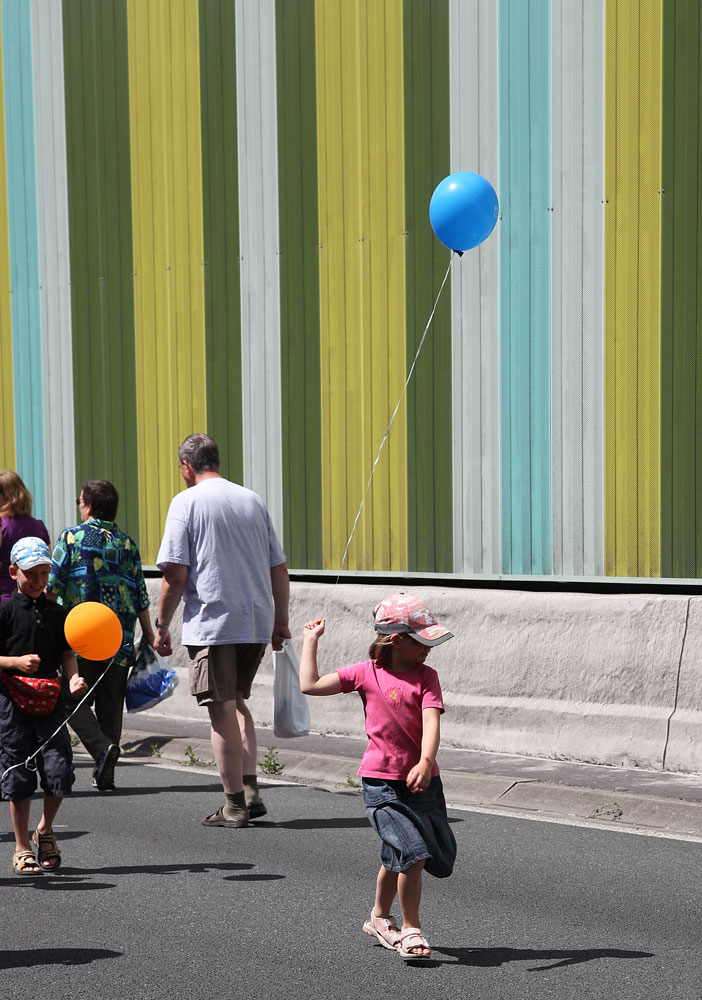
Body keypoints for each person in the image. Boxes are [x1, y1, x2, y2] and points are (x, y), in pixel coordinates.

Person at [299, 593, 457, 961]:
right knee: (413, 853)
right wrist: (310, 641)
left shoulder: (426, 676)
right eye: (422, 640)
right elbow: (310, 685)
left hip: (423, 784)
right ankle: (411, 929)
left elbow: (432, 722)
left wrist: (425, 760)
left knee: (419, 857)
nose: (429, 648)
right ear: (397, 639)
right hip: (381, 784)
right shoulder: (364, 673)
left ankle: (379, 918)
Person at [155, 432, 290, 828]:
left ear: (186, 466)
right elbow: (277, 567)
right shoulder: (251, 499)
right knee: (238, 701)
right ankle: (249, 790)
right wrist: (280, 620)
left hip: (213, 624)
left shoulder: (185, 502)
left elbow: (175, 574)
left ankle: (233, 804)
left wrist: (162, 624)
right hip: (255, 620)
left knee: (221, 711)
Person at [46, 480, 154, 791]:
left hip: (81, 635)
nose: (79, 505)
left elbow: (53, 586)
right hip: (119, 638)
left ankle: (101, 749)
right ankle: (106, 772)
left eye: (80, 500)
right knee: (110, 705)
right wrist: (149, 633)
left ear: (89, 506)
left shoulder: (71, 537)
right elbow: (139, 593)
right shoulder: (128, 544)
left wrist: (45, 627)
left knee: (68, 700)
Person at [0, 537, 88, 873]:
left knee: (58, 768)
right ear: (13, 572)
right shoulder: (5, 612)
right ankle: (21, 845)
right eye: (32, 573)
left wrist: (74, 677)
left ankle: (45, 829)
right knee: (18, 770)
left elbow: (67, 653)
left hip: (50, 699)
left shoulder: (56, 612)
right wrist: (14, 663)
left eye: (44, 573)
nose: (39, 581)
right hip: (11, 701)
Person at [0, 470, 50, 602]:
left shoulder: (2, 527)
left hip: (5, 598)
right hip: (34, 598)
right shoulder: (39, 526)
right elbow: (47, 565)